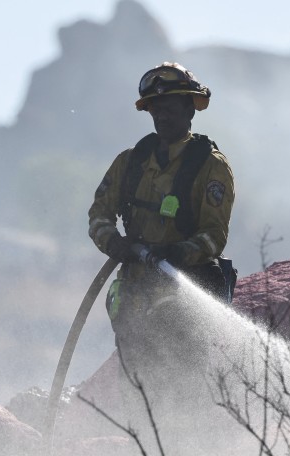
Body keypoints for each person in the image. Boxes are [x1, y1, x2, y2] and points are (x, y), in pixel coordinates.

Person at [87, 62, 235, 380]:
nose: (162, 116)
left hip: (188, 287)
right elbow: (99, 214)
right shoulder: (130, 162)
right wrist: (114, 242)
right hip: (136, 289)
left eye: (169, 108)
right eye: (155, 109)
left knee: (182, 377)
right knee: (139, 381)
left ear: (189, 109)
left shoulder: (210, 166)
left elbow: (214, 235)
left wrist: (178, 254)